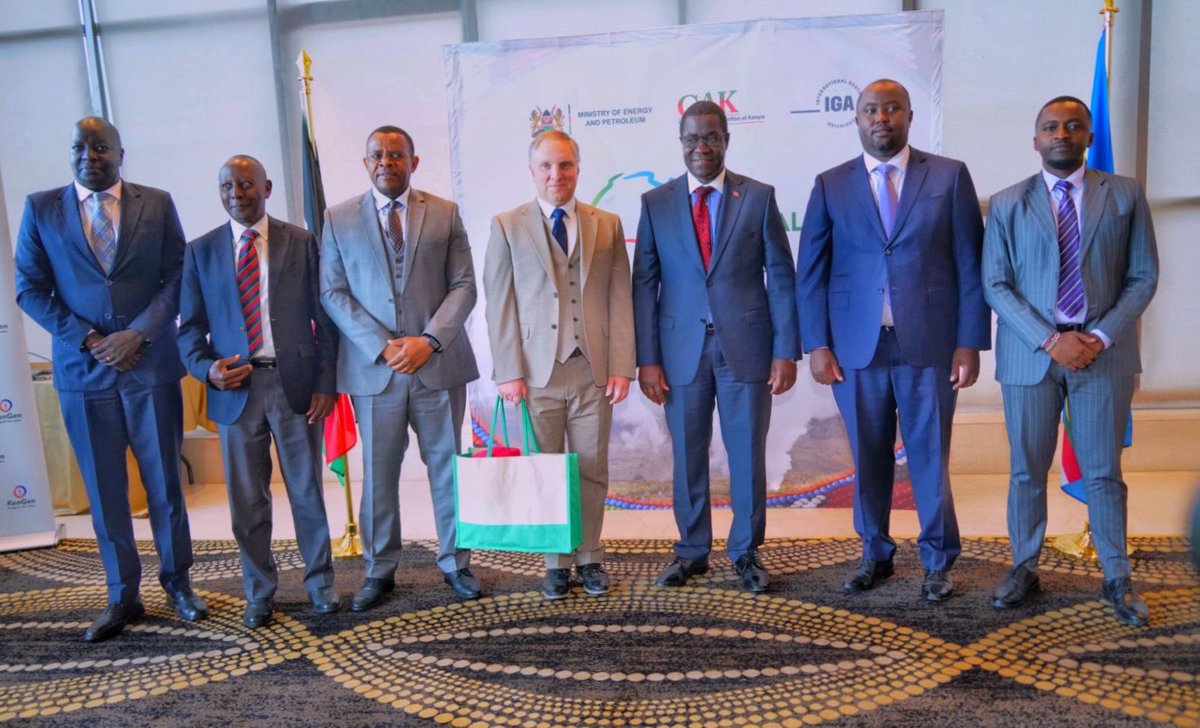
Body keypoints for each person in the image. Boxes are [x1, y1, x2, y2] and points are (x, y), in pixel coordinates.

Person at [795, 79, 989, 602]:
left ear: (908, 116)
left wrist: (970, 341)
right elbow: (810, 272)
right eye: (870, 110)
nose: (881, 118)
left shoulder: (948, 177)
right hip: (856, 350)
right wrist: (816, 344)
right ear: (856, 119)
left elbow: (971, 263)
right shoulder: (831, 184)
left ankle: (937, 561)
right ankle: (874, 555)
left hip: (930, 344)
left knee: (929, 455)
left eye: (892, 109)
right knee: (868, 455)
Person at [14, 117, 206, 641]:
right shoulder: (41, 208)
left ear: (121, 153)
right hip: (85, 371)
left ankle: (179, 584)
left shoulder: (157, 203)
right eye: (79, 146)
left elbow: (177, 277)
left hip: (150, 367)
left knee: (165, 483)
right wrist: (89, 339)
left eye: (101, 147)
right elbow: (29, 289)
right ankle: (123, 596)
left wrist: (139, 333)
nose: (89, 155)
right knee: (105, 491)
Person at [982, 95, 1158, 626]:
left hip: (1102, 356)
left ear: (1088, 137)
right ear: (1035, 139)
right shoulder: (1008, 202)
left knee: (1104, 473)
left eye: (1073, 126)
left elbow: (1144, 276)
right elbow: (995, 284)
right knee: (1026, 471)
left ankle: (1116, 576)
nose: (1062, 133)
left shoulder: (1125, 195)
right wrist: (1048, 339)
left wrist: (1099, 336)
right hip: (1030, 358)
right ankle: (1023, 567)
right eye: (1051, 127)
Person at [632, 100, 799, 594]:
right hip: (680, 351)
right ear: (680, 143)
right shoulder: (655, 203)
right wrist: (647, 358)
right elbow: (645, 283)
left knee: (746, 453)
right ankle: (691, 551)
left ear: (727, 140)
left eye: (711, 138)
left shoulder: (758, 197)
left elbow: (782, 277)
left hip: (746, 348)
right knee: (687, 454)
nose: (701, 148)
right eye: (692, 139)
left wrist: (786, 349)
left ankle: (745, 552)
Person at [320, 126, 480, 610]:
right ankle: (378, 570)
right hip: (376, 372)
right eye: (377, 155)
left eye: (396, 154)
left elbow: (464, 285)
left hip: (437, 367)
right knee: (379, 473)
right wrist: (383, 346)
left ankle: (456, 562)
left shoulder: (445, 215)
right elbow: (332, 292)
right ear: (365, 163)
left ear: (414, 161)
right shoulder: (339, 218)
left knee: (447, 470)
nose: (386, 161)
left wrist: (428, 341)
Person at [177, 155, 339, 628]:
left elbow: (323, 320)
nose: (236, 194)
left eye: (245, 185)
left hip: (296, 388)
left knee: (307, 492)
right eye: (226, 186)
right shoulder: (200, 252)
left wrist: (326, 384)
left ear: (266, 188)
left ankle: (320, 585)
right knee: (247, 502)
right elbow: (189, 331)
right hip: (235, 392)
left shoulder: (301, 242)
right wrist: (207, 371)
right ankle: (259, 592)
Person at [483, 130, 635, 600]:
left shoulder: (605, 224)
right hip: (534, 375)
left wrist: (622, 366)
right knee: (546, 470)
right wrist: (507, 369)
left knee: (591, 468)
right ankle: (556, 562)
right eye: (547, 166)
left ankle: (590, 557)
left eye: (565, 165)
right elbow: (499, 302)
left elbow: (619, 296)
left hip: (592, 371)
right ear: (532, 171)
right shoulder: (507, 225)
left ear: (577, 169)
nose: (556, 175)